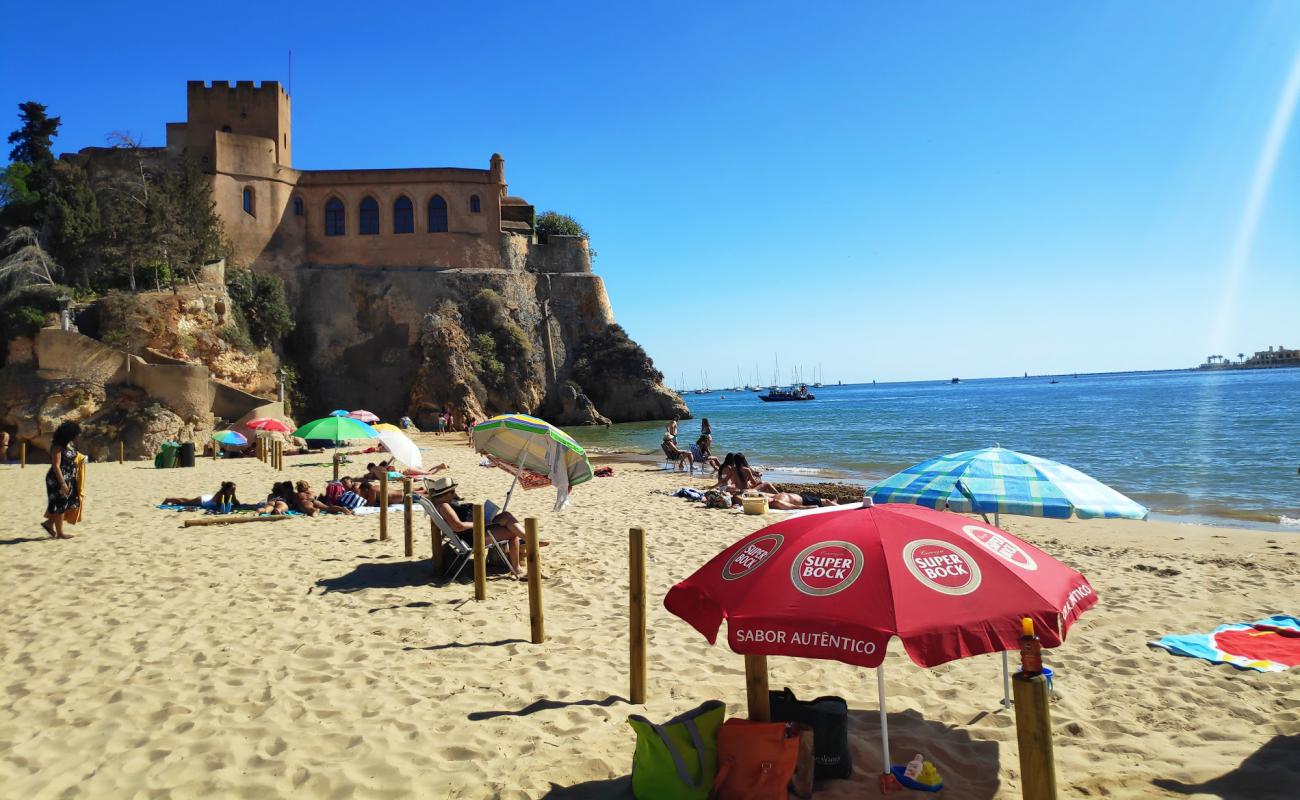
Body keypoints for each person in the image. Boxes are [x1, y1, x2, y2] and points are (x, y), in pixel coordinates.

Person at [426, 477, 528, 573]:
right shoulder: (444, 506)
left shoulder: (438, 504)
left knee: (506, 516)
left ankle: (529, 540)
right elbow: (458, 526)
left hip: (470, 532)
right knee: (512, 532)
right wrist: (479, 522)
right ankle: (518, 565)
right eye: (453, 492)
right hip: (473, 537)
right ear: (447, 493)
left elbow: (456, 524)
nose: (454, 494)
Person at [42, 421, 81, 539]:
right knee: (61, 503)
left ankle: (49, 523)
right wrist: (62, 483)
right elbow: (56, 465)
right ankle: (60, 533)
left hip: (68, 477)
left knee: (68, 503)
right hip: (57, 479)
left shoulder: (66, 445)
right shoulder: (57, 446)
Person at [162, 481, 240, 509]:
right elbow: (219, 505)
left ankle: (170, 499)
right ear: (227, 489)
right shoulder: (220, 494)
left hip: (206, 498)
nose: (233, 491)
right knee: (184, 503)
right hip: (202, 501)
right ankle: (169, 499)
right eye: (232, 490)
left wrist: (233, 496)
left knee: (188, 500)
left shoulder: (230, 494)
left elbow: (237, 503)